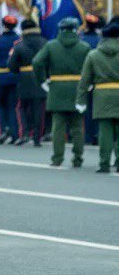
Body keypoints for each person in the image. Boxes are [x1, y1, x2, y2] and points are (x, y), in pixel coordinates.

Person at [33, 17, 92, 168]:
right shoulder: (84, 47)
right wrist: (89, 84)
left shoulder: (51, 46)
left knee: (58, 127)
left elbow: (37, 62)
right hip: (78, 87)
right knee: (78, 126)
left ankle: (57, 158)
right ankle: (78, 158)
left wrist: (42, 80)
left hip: (57, 87)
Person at [78, 21, 119, 172]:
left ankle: (104, 164)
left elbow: (85, 80)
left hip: (102, 96)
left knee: (105, 132)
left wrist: (80, 99)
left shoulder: (93, 54)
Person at [8, 18, 47, 146]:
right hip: (41, 78)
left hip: (24, 79)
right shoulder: (45, 43)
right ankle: (37, 137)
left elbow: (12, 66)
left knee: (21, 108)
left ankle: (23, 133)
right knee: (39, 109)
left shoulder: (19, 44)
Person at [0, 16, 22, 144]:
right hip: (15, 76)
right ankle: (15, 133)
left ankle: (2, 130)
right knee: (13, 106)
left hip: (0, 76)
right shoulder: (19, 39)